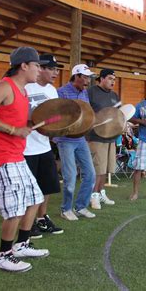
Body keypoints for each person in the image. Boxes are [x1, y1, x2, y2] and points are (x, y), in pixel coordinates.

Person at [0, 46, 49, 272]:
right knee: (15, 209)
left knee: (35, 199)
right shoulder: (3, 86)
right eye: (37, 65)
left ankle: (21, 245)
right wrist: (12, 130)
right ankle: (3, 254)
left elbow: (19, 120)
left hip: (16, 156)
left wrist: (30, 126)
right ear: (24, 65)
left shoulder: (24, 91)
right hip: (0, 157)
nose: (39, 69)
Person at [24, 54, 63, 237]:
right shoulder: (25, 86)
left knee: (46, 186)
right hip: (25, 148)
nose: (56, 72)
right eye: (52, 69)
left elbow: (53, 118)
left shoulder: (52, 90)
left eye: (56, 69)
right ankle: (28, 223)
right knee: (29, 188)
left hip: (44, 146)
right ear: (40, 68)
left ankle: (41, 219)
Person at [55, 64, 96, 220]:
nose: (87, 81)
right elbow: (56, 117)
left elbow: (87, 114)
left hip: (80, 139)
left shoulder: (84, 93)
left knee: (90, 174)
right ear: (76, 76)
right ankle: (66, 209)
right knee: (70, 176)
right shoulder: (61, 92)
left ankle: (81, 207)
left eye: (88, 77)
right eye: (85, 77)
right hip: (65, 140)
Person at [87, 68, 119, 210]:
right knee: (98, 168)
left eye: (114, 79)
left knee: (106, 168)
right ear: (102, 78)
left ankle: (100, 193)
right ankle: (93, 196)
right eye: (111, 78)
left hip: (111, 136)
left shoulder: (114, 96)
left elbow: (118, 114)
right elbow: (85, 112)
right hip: (95, 136)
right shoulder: (91, 92)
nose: (113, 81)